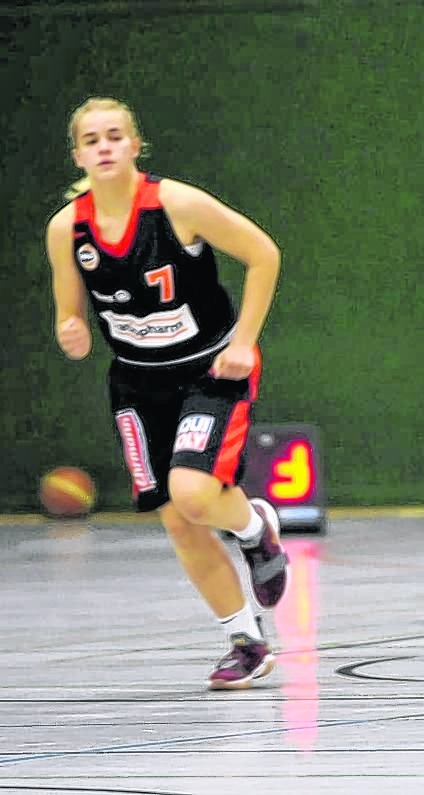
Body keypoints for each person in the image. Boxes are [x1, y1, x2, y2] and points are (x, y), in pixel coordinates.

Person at [46, 97, 289, 690]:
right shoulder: (66, 229)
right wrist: (70, 329)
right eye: (91, 140)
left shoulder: (176, 205)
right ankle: (246, 642)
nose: (104, 147)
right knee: (178, 521)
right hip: (136, 382)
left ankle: (254, 528)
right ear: (78, 155)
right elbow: (69, 313)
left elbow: (263, 254)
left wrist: (245, 342)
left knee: (193, 492)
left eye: (114, 136)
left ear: (135, 145)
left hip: (209, 370)